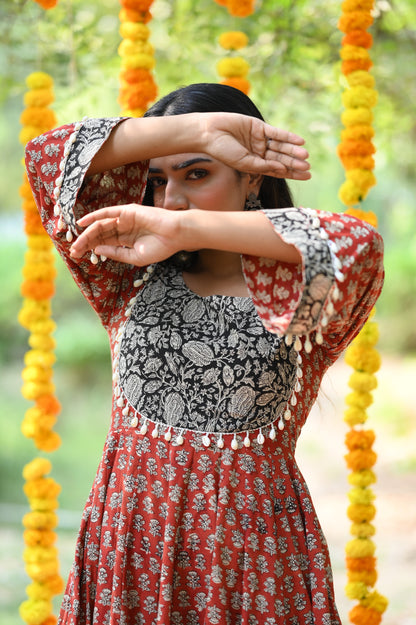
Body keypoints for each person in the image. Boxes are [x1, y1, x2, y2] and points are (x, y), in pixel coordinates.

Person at [25, 83, 384, 625]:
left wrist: (180, 226)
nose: (170, 199)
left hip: (255, 563)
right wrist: (192, 132)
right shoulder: (124, 274)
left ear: (253, 176)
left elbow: (361, 244)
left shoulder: (301, 295)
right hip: (130, 551)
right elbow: (45, 158)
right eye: (157, 180)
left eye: (197, 173)